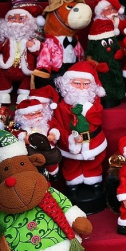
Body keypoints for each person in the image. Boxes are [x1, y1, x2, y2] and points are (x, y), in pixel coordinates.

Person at [50, 61, 108, 199]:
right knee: (72, 164)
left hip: (93, 140)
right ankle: (73, 182)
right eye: (77, 83)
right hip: (70, 142)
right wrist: (70, 139)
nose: (82, 88)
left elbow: (96, 120)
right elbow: (58, 124)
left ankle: (93, 180)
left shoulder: (95, 104)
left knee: (93, 162)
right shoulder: (62, 106)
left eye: (86, 84)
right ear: (68, 84)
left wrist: (86, 107)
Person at [0, 3, 42, 105]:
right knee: (2, 78)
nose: (16, 21)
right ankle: (3, 94)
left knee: (27, 81)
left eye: (21, 18)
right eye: (12, 18)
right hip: (6, 68)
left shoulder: (32, 39)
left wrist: (33, 47)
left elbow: (40, 52)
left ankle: (24, 94)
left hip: (25, 70)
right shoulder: (4, 39)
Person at [13, 98, 60, 178]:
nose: (37, 116)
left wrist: (53, 134)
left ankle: (53, 173)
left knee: (52, 157)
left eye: (39, 113)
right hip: (31, 151)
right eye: (32, 115)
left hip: (47, 148)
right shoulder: (20, 126)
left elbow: (55, 127)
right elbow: (15, 133)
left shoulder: (46, 122)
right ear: (23, 117)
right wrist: (23, 137)